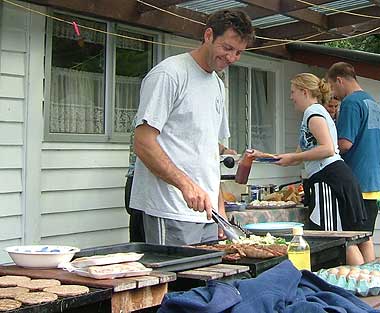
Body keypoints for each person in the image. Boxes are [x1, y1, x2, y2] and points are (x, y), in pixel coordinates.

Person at [129, 10, 254, 246]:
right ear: (208, 35)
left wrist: (220, 211)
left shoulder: (218, 85)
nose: (232, 58)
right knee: (177, 282)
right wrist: (185, 184)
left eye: (238, 52)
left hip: (207, 214)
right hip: (169, 209)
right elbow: (143, 142)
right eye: (227, 48)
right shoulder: (170, 74)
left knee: (208, 281)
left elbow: (209, 153)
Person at [274, 73, 367, 265]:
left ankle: (357, 286)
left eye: (293, 92)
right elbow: (300, 155)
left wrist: (294, 157)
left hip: (328, 179)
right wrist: (270, 157)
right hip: (338, 176)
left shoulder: (313, 113)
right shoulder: (316, 113)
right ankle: (367, 284)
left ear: (304, 91)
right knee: (353, 238)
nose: (291, 97)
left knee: (336, 238)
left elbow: (327, 148)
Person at [327, 62, 380, 264]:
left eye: (332, 86)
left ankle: (356, 286)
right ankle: (371, 283)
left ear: (339, 80)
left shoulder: (350, 103)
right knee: (365, 237)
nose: (334, 92)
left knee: (350, 241)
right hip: (374, 182)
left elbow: (345, 144)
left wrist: (324, 146)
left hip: (355, 181)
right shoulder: (372, 102)